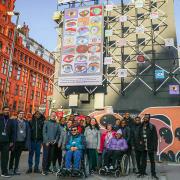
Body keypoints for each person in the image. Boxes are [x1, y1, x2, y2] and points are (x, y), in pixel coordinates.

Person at [9, 111, 31, 175]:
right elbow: (11, 131)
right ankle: (10, 168)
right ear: (18, 115)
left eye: (23, 114)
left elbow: (27, 132)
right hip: (15, 142)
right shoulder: (14, 121)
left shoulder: (26, 122)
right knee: (12, 156)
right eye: (20, 114)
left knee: (18, 156)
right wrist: (11, 141)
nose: (21, 115)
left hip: (22, 142)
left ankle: (16, 169)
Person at [137, 114, 158, 179]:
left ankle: (153, 174)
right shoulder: (140, 126)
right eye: (145, 117)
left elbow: (155, 137)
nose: (146, 118)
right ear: (143, 118)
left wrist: (155, 147)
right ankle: (142, 172)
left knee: (152, 161)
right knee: (143, 160)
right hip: (143, 146)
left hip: (150, 146)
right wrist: (140, 141)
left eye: (147, 117)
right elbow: (139, 135)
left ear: (149, 119)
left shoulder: (152, 126)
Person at [0, 106, 14, 178]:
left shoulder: (11, 120)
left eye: (8, 110)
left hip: (6, 142)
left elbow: (12, 132)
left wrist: (11, 141)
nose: (7, 111)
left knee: (5, 158)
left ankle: (4, 172)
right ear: (2, 111)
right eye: (5, 110)